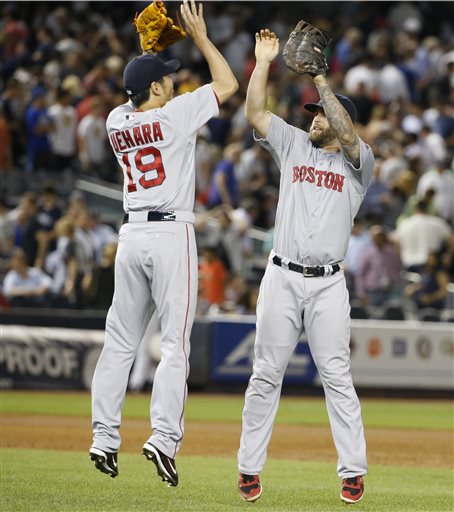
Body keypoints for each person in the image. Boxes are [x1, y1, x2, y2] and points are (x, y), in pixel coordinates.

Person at [89, 0, 238, 486]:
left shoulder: (115, 121)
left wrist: (144, 60)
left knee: (119, 342)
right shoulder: (176, 115)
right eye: (167, 77)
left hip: (130, 234)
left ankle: (104, 437)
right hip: (171, 232)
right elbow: (228, 84)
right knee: (173, 343)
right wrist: (198, 37)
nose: (175, 80)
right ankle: (163, 438)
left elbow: (135, 98)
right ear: (156, 88)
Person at [237, 29, 375, 504]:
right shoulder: (294, 145)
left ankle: (352, 471)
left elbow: (351, 137)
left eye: (320, 116)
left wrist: (320, 79)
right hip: (281, 275)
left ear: (340, 121)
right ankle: (249, 468)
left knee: (337, 376)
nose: (314, 121)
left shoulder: (360, 165)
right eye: (313, 116)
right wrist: (262, 63)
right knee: (265, 373)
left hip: (328, 284)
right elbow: (255, 112)